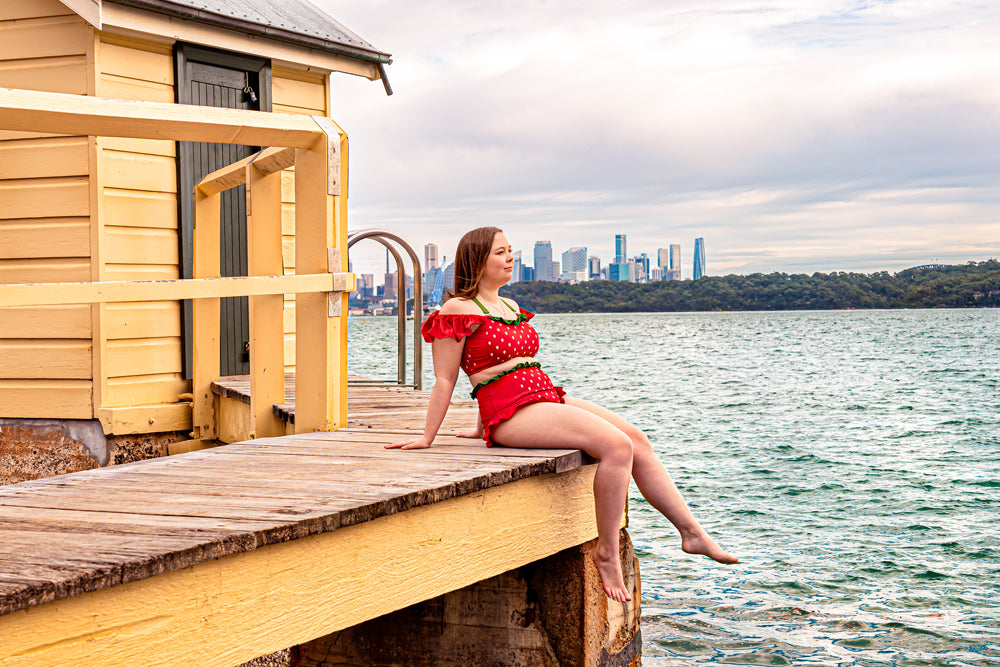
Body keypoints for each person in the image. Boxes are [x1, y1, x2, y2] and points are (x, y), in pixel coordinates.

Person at [386, 227, 737, 602]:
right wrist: (428, 437)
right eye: (500, 252)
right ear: (477, 261)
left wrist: (475, 427)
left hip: (542, 397)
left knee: (637, 439)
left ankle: (690, 533)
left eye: (510, 251)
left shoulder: (510, 306)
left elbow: (501, 365)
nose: (509, 258)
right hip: (511, 415)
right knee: (616, 447)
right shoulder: (456, 310)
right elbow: (447, 378)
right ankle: (606, 553)